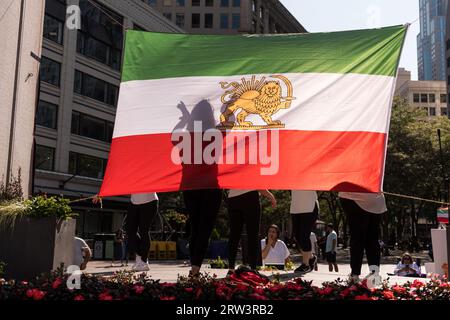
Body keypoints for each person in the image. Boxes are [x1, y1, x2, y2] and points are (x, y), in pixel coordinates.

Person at [227, 189, 277, 276]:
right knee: (253, 235)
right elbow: (258, 184)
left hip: (232, 197)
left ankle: (231, 269)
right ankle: (253, 268)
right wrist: (270, 196)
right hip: (250, 196)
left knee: (234, 235)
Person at [339, 192, 387, 282]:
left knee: (357, 238)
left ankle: (355, 274)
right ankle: (374, 273)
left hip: (354, 197)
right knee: (372, 239)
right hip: (376, 200)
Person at [183, 189, 222, 277]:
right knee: (204, 230)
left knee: (195, 230)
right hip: (210, 187)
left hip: (190, 185)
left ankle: (194, 269)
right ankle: (195, 270)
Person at [290, 190, 319, 274]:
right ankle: (311, 257)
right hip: (296, 207)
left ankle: (305, 264)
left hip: (310, 206)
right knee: (297, 236)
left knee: (304, 236)